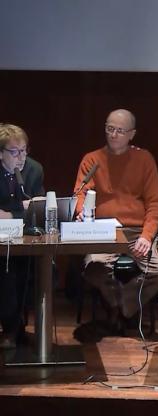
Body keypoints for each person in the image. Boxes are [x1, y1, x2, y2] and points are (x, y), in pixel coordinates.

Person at [74, 109, 158, 332]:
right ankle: (120, 307)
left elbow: (154, 205)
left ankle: (123, 307)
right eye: (109, 128)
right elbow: (79, 195)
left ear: (132, 134)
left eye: (120, 131)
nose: (113, 134)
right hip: (102, 230)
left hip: (136, 230)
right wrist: (81, 212)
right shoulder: (92, 160)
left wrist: (147, 237)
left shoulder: (144, 159)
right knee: (93, 267)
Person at [0, 123, 44, 348]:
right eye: (14, 152)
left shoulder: (34, 170)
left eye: (24, 150)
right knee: (6, 273)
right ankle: (10, 329)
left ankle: (16, 328)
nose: (21, 157)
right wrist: (20, 212)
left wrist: (10, 214)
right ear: (1, 154)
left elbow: (38, 210)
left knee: (36, 271)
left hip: (26, 240)